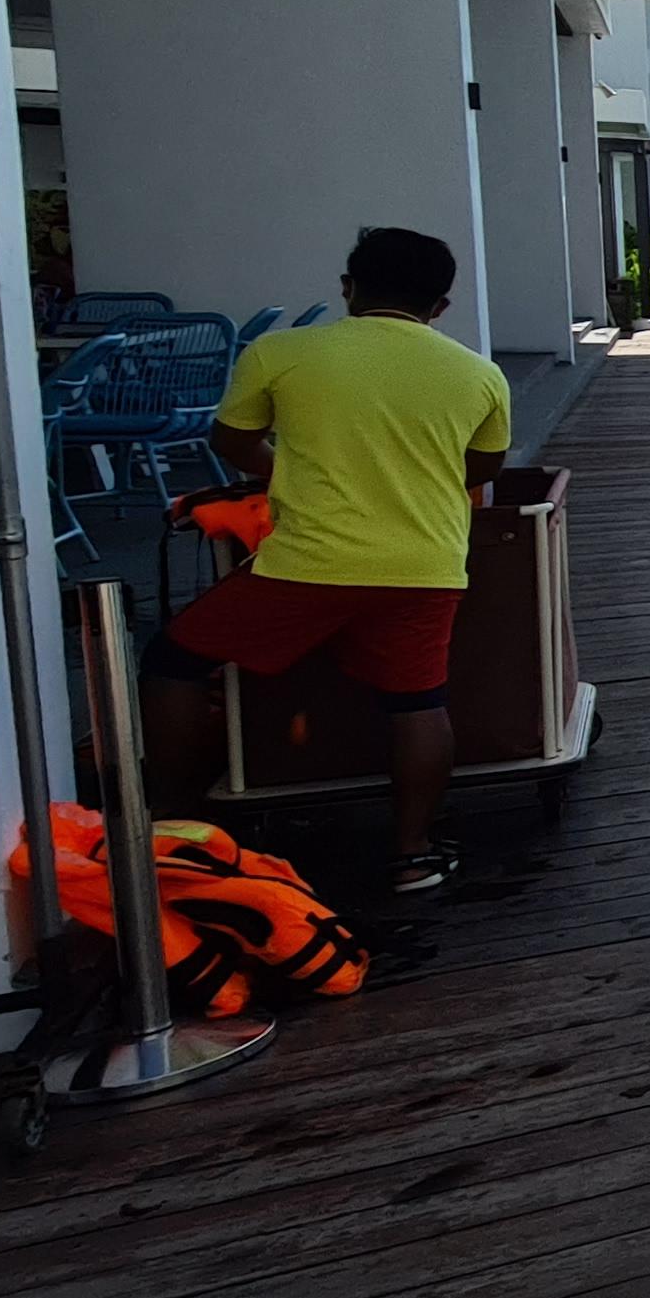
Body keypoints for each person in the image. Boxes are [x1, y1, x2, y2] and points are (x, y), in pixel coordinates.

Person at [143, 226, 510, 895]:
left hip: (303, 567)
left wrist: (284, 470)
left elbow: (231, 438)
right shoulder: (479, 374)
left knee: (173, 659)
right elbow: (481, 469)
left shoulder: (281, 352)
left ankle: (171, 819)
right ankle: (412, 855)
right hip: (424, 567)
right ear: (441, 306)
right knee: (418, 703)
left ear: (349, 288)